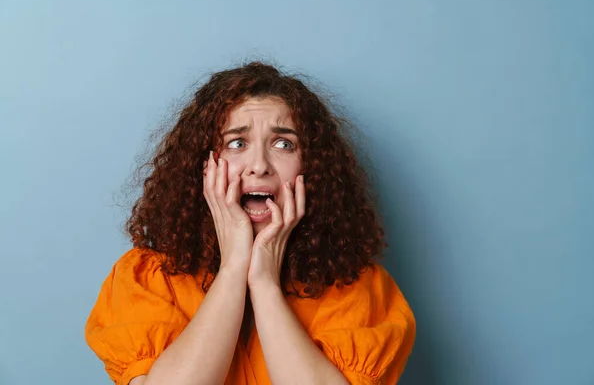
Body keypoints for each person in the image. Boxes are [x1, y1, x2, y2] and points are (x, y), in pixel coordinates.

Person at [84, 61, 416, 385]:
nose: (259, 166)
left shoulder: (358, 289)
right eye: (237, 143)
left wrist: (265, 284)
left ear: (311, 169)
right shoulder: (144, 279)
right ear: (203, 165)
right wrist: (233, 266)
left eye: (284, 144)